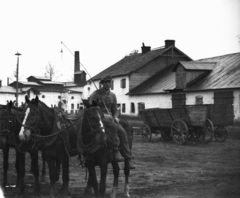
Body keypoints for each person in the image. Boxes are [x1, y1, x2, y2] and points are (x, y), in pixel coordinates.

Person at [89, 75, 135, 169]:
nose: (108, 84)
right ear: (102, 84)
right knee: (113, 128)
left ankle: (128, 158)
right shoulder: (96, 94)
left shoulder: (113, 95)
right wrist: (103, 115)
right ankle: (115, 151)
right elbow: (90, 108)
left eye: (109, 82)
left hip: (111, 119)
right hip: (98, 118)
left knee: (123, 133)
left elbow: (114, 109)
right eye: (105, 82)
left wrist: (115, 116)